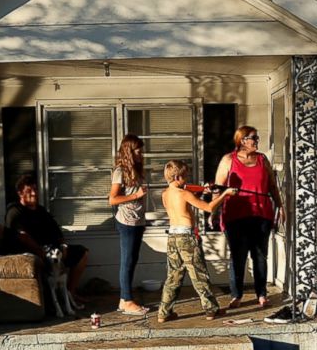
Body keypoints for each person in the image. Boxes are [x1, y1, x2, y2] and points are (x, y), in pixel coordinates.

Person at [157, 160, 235, 322]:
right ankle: (211, 309)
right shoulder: (184, 193)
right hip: (187, 238)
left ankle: (164, 312)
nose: (187, 179)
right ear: (178, 176)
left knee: (173, 276)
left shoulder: (165, 194)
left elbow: (184, 200)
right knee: (199, 274)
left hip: (172, 237)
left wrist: (202, 190)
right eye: (185, 176)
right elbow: (208, 208)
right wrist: (225, 194)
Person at [213, 125, 281, 309]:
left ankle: (261, 294)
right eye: (254, 138)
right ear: (242, 140)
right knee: (238, 256)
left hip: (261, 213)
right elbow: (217, 189)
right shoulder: (229, 160)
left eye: (257, 138)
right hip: (235, 216)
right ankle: (237, 295)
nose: (257, 141)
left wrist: (280, 205)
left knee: (260, 256)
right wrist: (213, 211)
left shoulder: (262, 159)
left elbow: (273, 186)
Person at [4, 173, 87, 299]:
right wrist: (39, 250)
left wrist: (63, 246)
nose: (34, 193)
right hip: (31, 253)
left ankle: (70, 293)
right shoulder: (14, 211)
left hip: (52, 250)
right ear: (20, 193)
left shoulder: (41, 211)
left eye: (35, 190)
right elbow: (22, 236)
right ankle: (50, 300)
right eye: (29, 190)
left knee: (82, 253)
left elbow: (56, 231)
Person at [108, 134, 149, 315]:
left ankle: (124, 299)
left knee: (132, 261)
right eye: (139, 151)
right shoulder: (120, 171)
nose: (142, 154)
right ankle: (127, 300)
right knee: (127, 261)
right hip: (127, 222)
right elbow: (112, 199)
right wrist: (136, 196)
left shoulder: (137, 170)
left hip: (138, 221)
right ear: (130, 151)